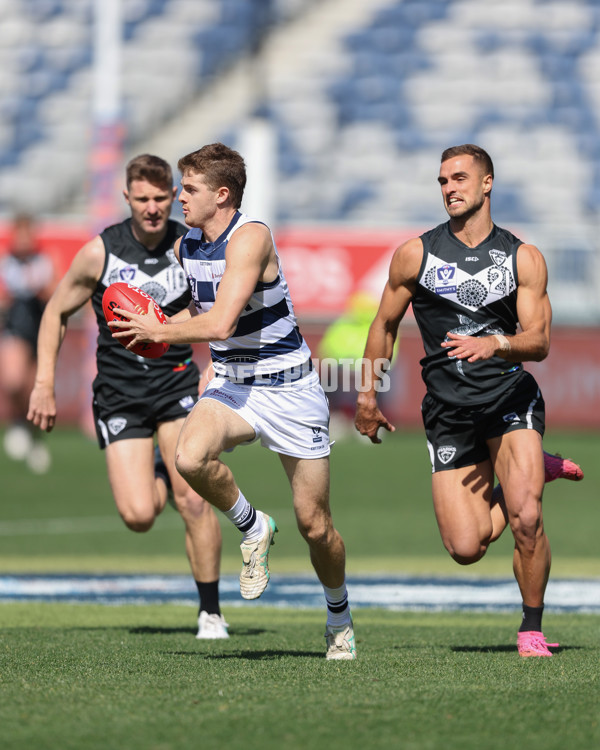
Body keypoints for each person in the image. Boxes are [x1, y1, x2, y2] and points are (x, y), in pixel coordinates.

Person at [108, 143, 356, 660]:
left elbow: (219, 322)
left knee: (316, 525)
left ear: (222, 195)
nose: (180, 198)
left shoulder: (252, 238)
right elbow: (186, 316)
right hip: (233, 385)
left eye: (190, 189)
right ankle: (254, 525)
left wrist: (160, 329)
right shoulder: (186, 247)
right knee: (188, 457)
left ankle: (339, 614)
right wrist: (142, 321)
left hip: (291, 389)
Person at [355, 144, 584, 658]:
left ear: (487, 184)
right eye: (441, 180)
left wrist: (497, 343)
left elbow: (540, 340)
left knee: (527, 519)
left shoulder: (522, 256)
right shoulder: (415, 253)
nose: (449, 188)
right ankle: (535, 470)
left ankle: (531, 628)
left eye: (459, 178)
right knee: (465, 548)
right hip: (449, 411)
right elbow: (384, 325)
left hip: (509, 399)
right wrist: (368, 393)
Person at [27, 154, 228, 639]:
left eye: (162, 197)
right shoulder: (102, 252)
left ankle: (210, 612)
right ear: (127, 198)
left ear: (172, 196)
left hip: (177, 385)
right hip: (119, 394)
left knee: (194, 498)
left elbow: (226, 314)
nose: (154, 207)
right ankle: (162, 467)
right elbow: (55, 311)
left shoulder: (191, 244)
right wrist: (44, 382)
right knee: (138, 515)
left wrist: (216, 369)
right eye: (143, 199)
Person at [0, 213, 56, 473]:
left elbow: (53, 294)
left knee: (32, 389)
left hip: (39, 330)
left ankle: (31, 435)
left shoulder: (43, 262)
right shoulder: (6, 263)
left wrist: (42, 287)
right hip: (15, 329)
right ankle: (17, 424)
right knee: (13, 380)